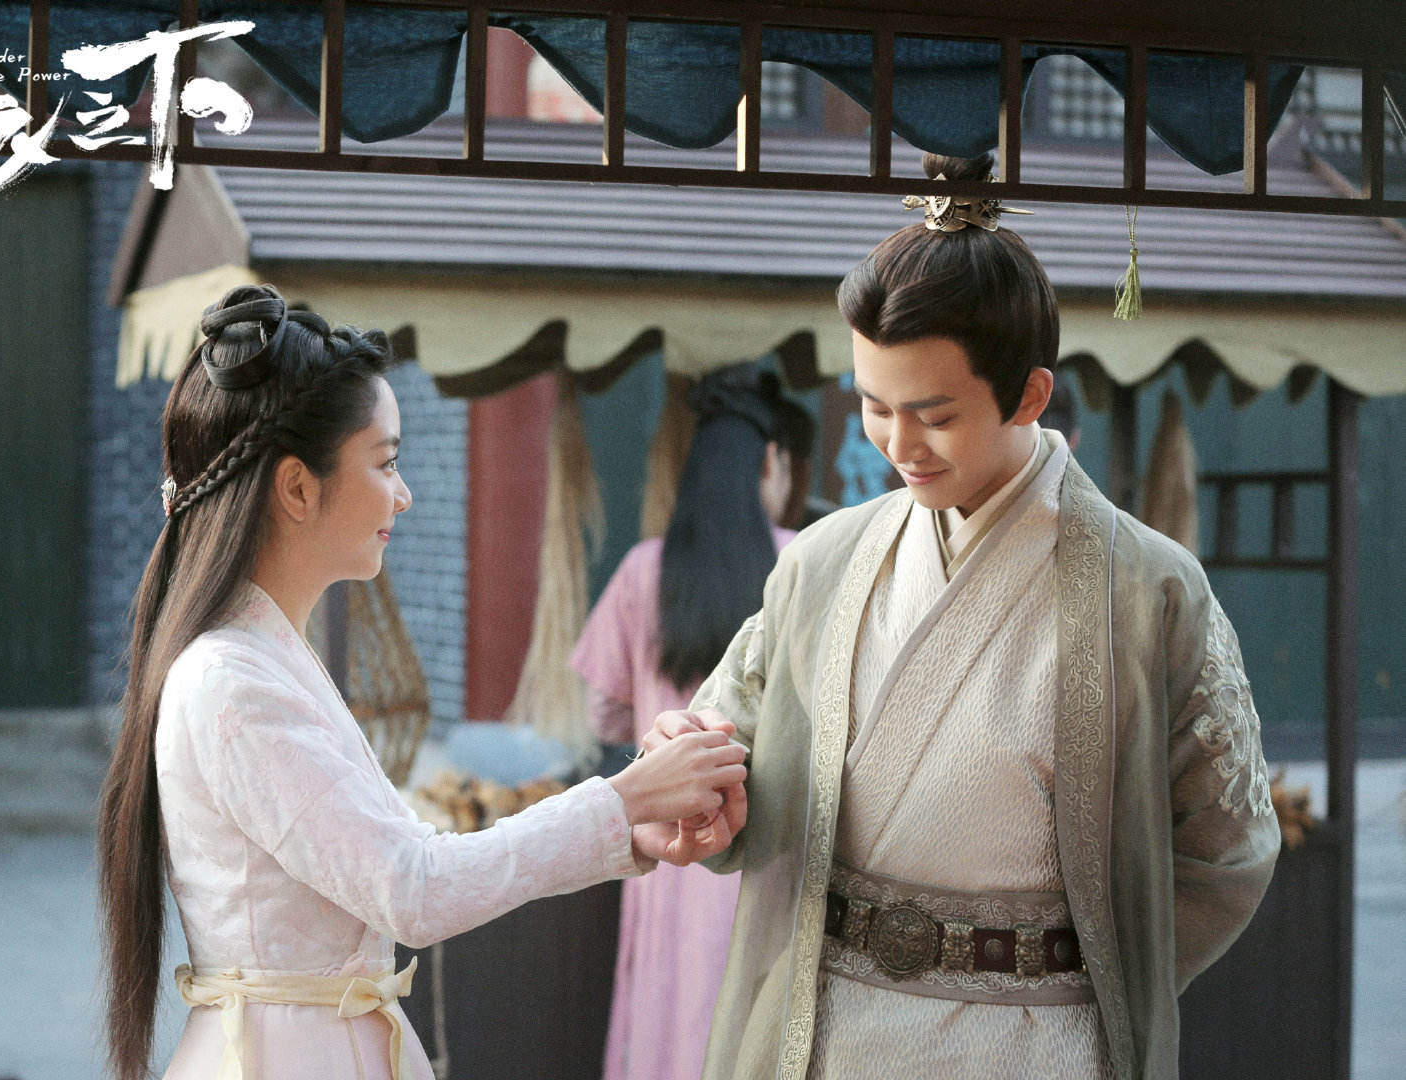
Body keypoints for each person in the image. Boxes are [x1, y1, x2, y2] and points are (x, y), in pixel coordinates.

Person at [645, 154, 1279, 1080]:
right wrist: (700, 785)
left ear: (1030, 394)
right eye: (874, 407)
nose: (899, 444)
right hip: (830, 1038)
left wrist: (1107, 976)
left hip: (1043, 1041)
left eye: (934, 415)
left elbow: (1227, 850)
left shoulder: (1149, 591)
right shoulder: (822, 564)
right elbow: (730, 747)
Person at [96, 285, 749, 1080]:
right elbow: (412, 887)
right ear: (298, 488)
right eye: (385, 462)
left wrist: (628, 828)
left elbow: (404, 866)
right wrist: (622, 800)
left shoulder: (260, 660)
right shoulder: (232, 681)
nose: (403, 495)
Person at [570, 366, 813, 1080]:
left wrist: (657, 720)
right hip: (769, 847)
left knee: (666, 1019)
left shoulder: (643, 570)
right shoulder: (801, 563)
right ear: (771, 463)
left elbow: (602, 711)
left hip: (669, 844)